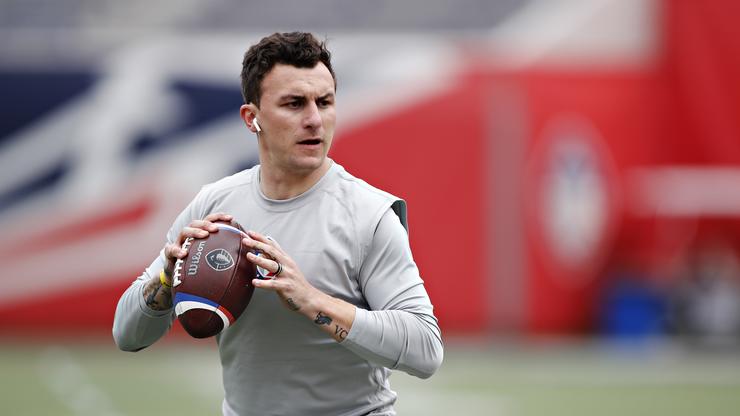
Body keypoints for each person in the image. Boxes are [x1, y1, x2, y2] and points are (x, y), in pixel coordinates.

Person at [112, 32, 443, 416]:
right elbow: (126, 334)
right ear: (251, 118)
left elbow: (425, 350)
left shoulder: (370, 214)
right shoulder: (213, 207)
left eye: (325, 102)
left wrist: (311, 300)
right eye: (294, 104)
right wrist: (167, 280)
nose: (314, 119)